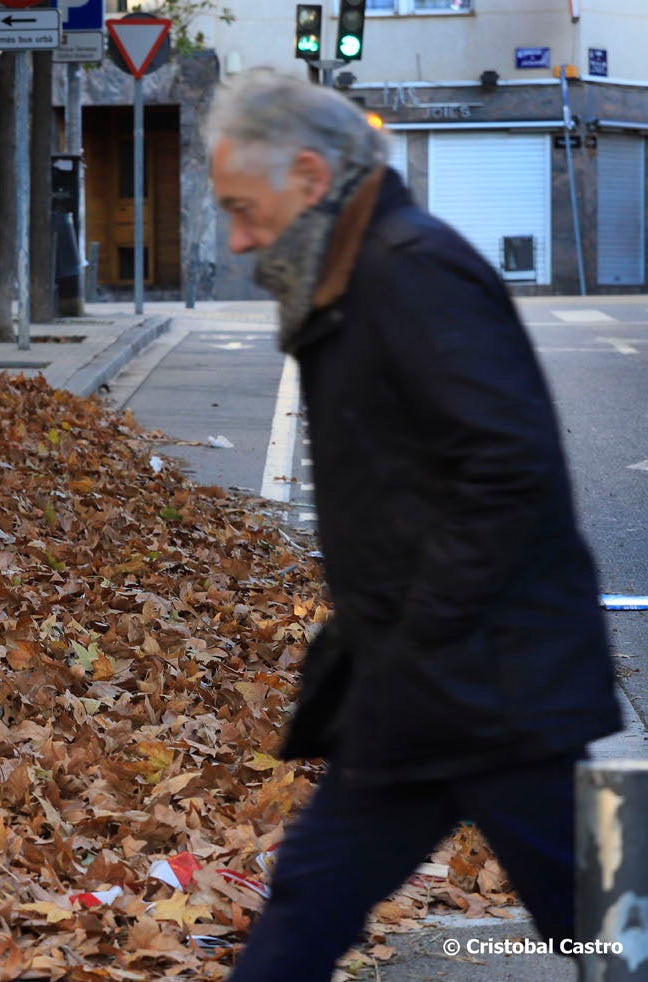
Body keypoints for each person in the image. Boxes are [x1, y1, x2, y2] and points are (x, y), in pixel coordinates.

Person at [207, 70, 622, 980]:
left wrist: (418, 633)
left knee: (603, 930)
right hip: (429, 685)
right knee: (308, 903)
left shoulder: (408, 269)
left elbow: (506, 474)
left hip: (492, 687)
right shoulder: (358, 272)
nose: (238, 239)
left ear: (310, 177)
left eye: (242, 208)